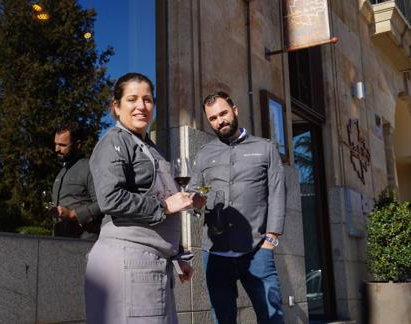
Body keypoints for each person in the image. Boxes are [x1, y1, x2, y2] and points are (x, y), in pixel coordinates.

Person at [85, 72, 204, 324]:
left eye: (148, 99)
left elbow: (160, 200)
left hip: (150, 263)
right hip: (130, 261)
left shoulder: (151, 147)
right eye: (132, 99)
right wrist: (165, 205)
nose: (141, 106)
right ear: (116, 107)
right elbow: (111, 199)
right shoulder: (113, 143)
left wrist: (177, 254)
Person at [187, 91, 286, 324]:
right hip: (215, 254)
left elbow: (277, 194)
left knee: (272, 319)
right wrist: (194, 202)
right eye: (212, 118)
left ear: (235, 110)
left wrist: (271, 239)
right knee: (223, 320)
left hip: (257, 251)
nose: (220, 121)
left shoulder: (265, 148)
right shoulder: (204, 154)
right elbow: (193, 192)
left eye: (223, 113)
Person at [50, 125, 103, 240]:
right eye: (56, 144)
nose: (56, 149)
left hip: (84, 243)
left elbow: (103, 204)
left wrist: (73, 214)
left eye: (62, 145)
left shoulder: (90, 168)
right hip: (58, 242)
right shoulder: (61, 173)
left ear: (77, 145)